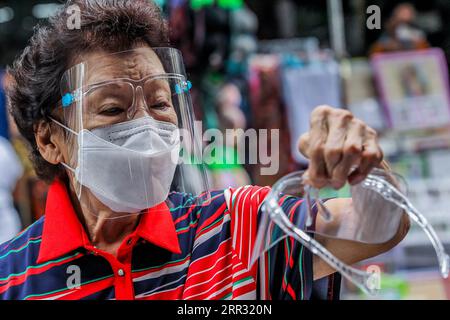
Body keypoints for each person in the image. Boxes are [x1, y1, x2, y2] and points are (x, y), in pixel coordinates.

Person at [0, 0, 409, 300]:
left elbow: (376, 229)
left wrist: (365, 171)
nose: (146, 125)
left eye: (161, 103)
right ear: (50, 140)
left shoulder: (235, 227)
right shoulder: (10, 279)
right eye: (112, 107)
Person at [0, 136, 23, 243]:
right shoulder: (3, 145)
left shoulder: (3, 146)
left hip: (6, 226)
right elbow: (17, 181)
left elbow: (18, 179)